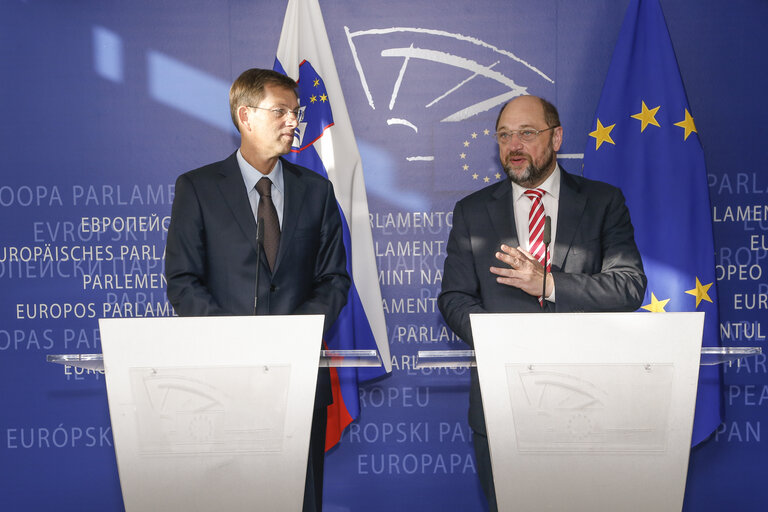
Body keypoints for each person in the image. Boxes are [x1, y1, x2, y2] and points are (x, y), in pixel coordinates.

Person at [438, 95, 646, 511]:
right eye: (504, 135)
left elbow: (628, 286)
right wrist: (502, 343)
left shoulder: (603, 202)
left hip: (588, 397)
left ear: (557, 138)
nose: (513, 145)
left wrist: (548, 284)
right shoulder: (472, 211)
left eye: (527, 133)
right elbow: (454, 298)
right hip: (502, 398)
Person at [165, 68, 350, 512]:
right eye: (281, 111)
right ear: (245, 116)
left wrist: (292, 339)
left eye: (296, 112)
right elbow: (183, 280)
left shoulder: (318, 192)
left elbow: (334, 279)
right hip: (223, 380)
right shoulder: (199, 188)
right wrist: (237, 342)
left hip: (300, 378)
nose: (293, 122)